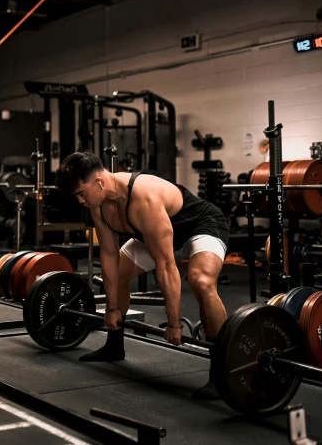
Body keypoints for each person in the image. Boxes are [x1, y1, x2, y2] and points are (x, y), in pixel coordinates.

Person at [55, 151, 229, 400]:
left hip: (199, 226)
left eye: (82, 193)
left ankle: (221, 372)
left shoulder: (143, 197)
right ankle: (114, 345)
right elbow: (109, 255)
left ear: (100, 182)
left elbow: (166, 264)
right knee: (119, 273)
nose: (81, 201)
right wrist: (111, 308)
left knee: (201, 282)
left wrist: (174, 323)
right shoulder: (98, 205)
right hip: (152, 233)